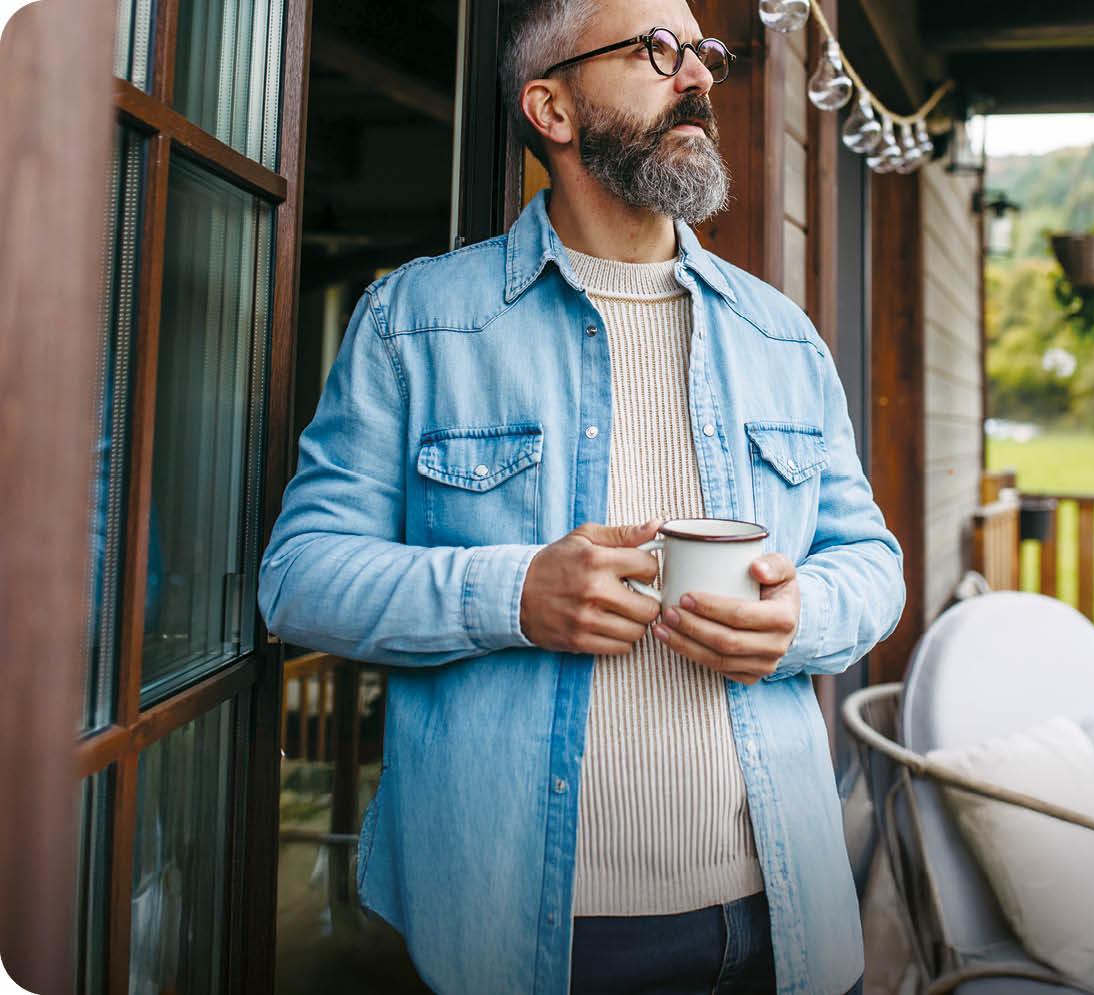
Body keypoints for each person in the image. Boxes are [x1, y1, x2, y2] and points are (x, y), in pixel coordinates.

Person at [257, 0, 905, 989]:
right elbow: (299, 578)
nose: (694, 76)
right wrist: (512, 594)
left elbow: (871, 562)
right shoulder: (416, 325)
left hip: (785, 916)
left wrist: (802, 614)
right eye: (655, 50)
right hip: (522, 931)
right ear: (550, 108)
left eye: (701, 54)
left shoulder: (784, 337)